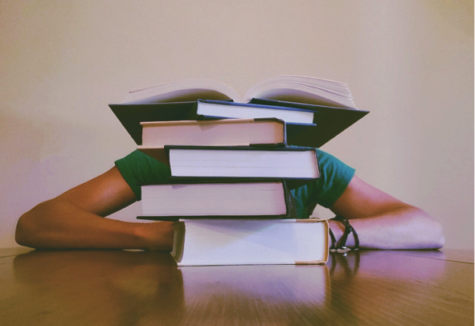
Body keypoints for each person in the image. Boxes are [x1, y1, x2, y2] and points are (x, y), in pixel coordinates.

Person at [15, 149, 445, 251]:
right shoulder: (162, 158)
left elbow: (426, 227)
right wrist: (162, 236)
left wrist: (329, 232)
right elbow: (35, 224)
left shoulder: (308, 164)